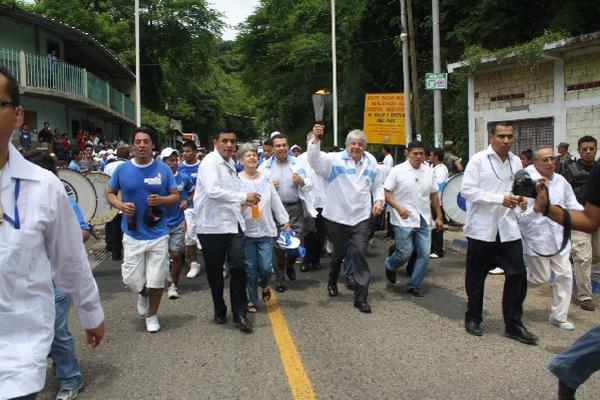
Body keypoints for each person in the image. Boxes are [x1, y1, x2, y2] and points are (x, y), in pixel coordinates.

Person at [0, 66, 104, 399]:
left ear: (17, 116)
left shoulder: (44, 187)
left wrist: (90, 312)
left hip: (17, 350)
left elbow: (69, 257)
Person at [460, 121, 537, 344]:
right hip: (481, 229)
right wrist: (498, 199)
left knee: (517, 274)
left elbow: (519, 189)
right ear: (491, 136)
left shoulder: (516, 162)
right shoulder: (478, 160)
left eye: (510, 136)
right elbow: (466, 190)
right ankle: (473, 316)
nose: (506, 141)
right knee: (476, 276)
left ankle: (513, 324)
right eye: (501, 136)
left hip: (508, 228)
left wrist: (522, 200)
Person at [24, 151, 91, 400]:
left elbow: (83, 232)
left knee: (55, 331)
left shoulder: (61, 199)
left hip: (56, 280)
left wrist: (63, 236)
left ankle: (71, 378)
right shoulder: (12, 198)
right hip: (24, 280)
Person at [533, 160, 600, 400]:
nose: (550, 162)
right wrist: (547, 207)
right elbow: (590, 219)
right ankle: (571, 367)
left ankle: (569, 365)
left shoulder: (562, 181)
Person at [107, 125, 179, 333]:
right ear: (133, 145)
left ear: (152, 145)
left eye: (146, 141)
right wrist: (121, 206)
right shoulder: (122, 169)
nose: (141, 145)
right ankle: (142, 293)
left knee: (156, 280)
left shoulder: (163, 169)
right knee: (131, 280)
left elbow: (175, 196)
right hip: (132, 232)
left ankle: (152, 315)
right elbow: (110, 193)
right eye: (138, 142)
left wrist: (162, 199)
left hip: (158, 233)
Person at [308, 129, 384, 313]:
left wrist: (379, 200)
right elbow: (315, 161)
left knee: (359, 253)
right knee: (339, 254)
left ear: (365, 146)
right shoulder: (334, 160)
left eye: (360, 144)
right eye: (353, 143)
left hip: (361, 216)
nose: (356, 147)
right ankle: (332, 280)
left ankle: (361, 298)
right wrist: (316, 140)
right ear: (347, 144)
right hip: (338, 216)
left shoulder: (371, 162)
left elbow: (377, 185)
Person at [194, 128, 261, 333]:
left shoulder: (231, 163)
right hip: (211, 227)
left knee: (239, 268)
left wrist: (247, 200)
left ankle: (240, 313)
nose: (230, 145)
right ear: (216, 142)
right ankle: (219, 306)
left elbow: (234, 192)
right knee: (215, 272)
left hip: (233, 225)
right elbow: (213, 191)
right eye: (225, 141)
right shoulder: (209, 163)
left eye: (233, 141)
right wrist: (243, 197)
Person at [517, 146, 581, 330]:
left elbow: (573, 204)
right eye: (545, 160)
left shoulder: (561, 181)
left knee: (565, 275)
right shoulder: (526, 181)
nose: (550, 163)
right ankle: (517, 283)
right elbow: (518, 214)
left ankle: (559, 316)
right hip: (536, 239)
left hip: (560, 238)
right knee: (539, 278)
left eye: (552, 159)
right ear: (535, 162)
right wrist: (535, 209)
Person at [384, 140, 443, 297]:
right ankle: (390, 264)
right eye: (415, 154)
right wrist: (398, 207)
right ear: (407, 153)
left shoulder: (429, 171)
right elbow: (387, 192)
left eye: (421, 154)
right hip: (403, 219)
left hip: (424, 218)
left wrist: (439, 216)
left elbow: (434, 194)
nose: (418, 157)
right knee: (405, 253)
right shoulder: (397, 171)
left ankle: (414, 284)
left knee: (424, 254)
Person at [258, 133, 316, 293]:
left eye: (284, 145)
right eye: (278, 146)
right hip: (275, 210)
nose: (282, 148)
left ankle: (290, 263)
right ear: (273, 148)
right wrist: (267, 187)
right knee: (278, 247)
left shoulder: (298, 163)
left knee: (295, 243)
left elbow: (312, 183)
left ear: (288, 146)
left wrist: (302, 181)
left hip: (295, 208)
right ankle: (280, 278)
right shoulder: (264, 167)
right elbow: (256, 187)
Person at [238, 142, 289, 312]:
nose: (252, 157)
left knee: (266, 267)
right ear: (241, 160)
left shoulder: (265, 178)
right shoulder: (236, 180)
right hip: (246, 233)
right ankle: (252, 300)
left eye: (254, 154)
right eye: (248, 155)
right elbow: (232, 203)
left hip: (265, 231)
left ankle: (265, 283)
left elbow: (275, 201)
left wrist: (284, 221)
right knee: (250, 269)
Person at [562, 135, 599, 312]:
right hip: (579, 218)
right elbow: (562, 194)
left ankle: (572, 255)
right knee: (584, 256)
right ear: (579, 151)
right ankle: (585, 296)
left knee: (595, 254)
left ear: (596, 150)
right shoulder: (570, 170)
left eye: (591, 148)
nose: (588, 152)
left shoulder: (599, 169)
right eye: (584, 149)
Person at [161, 147, 194, 299]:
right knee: (161, 257)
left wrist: (187, 200)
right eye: (170, 161)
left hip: (178, 222)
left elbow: (193, 191)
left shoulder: (184, 177)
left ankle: (173, 285)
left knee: (177, 254)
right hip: (159, 224)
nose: (174, 163)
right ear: (163, 162)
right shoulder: (157, 178)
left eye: (176, 160)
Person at [177, 140, 202, 278]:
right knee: (190, 236)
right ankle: (194, 263)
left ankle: (220, 263)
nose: (185, 154)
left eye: (188, 151)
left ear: (195, 152)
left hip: (205, 207)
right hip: (188, 207)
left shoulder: (204, 166)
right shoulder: (180, 168)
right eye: (184, 151)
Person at [104, 146, 130, 261]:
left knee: (114, 227)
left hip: (113, 201)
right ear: (128, 155)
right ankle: (127, 252)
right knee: (127, 228)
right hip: (126, 202)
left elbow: (104, 181)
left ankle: (115, 253)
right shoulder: (130, 166)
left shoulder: (108, 166)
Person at [429, 147, 448, 258]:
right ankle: (434, 248)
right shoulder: (434, 168)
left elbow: (439, 187)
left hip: (438, 201)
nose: (429, 157)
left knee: (437, 226)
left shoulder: (441, 169)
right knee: (433, 226)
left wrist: (435, 201)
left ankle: (438, 250)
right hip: (433, 201)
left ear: (436, 156)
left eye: (431, 155)